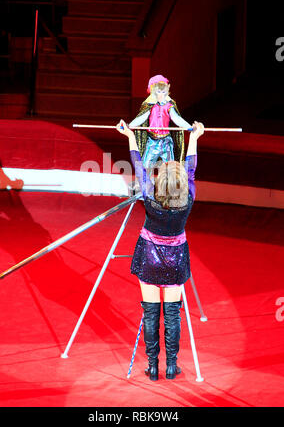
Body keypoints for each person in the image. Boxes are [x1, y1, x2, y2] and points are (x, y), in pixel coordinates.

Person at [116, 118, 204, 381]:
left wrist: (130, 136)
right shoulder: (188, 196)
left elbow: (139, 165)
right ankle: (170, 365)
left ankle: (153, 366)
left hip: (150, 259)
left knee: (151, 311)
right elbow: (191, 168)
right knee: (173, 313)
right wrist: (196, 137)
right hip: (175, 260)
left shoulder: (150, 196)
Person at [129, 74, 192, 169]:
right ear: (154, 92)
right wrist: (129, 125)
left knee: (170, 168)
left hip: (166, 142)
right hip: (152, 142)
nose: (161, 95)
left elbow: (176, 119)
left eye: (163, 92)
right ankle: (146, 183)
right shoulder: (150, 106)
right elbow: (141, 118)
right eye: (159, 92)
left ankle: (170, 183)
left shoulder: (169, 106)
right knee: (146, 166)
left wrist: (189, 127)